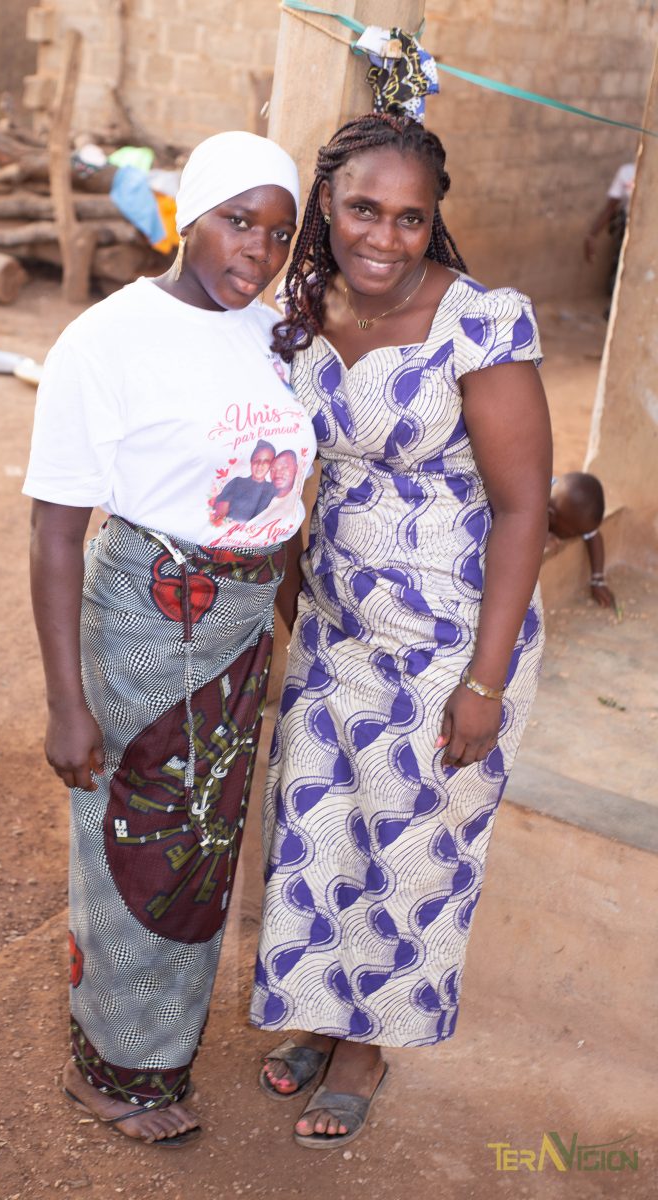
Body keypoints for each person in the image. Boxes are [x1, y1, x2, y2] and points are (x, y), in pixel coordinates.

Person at [250, 114, 552, 1149]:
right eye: (363, 210)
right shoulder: (301, 312)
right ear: (325, 209)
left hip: (454, 635)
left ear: (434, 225)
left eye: (410, 219)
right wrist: (295, 600)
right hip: (337, 622)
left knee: (411, 836)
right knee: (318, 821)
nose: (384, 237)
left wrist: (484, 680)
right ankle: (318, 1013)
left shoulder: (478, 322)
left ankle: (364, 1047)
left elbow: (522, 507)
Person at [23, 130, 316, 1147]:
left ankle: (160, 1058)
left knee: (201, 856)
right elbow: (57, 529)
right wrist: (67, 703)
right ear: (186, 217)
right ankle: (108, 1072)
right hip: (145, 629)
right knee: (130, 850)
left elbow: (282, 499)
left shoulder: (273, 332)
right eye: (237, 222)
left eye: (277, 232)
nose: (256, 250)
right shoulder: (107, 341)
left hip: (236, 638)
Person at [547, 471, 615, 608]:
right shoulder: (528, 502)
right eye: (573, 533)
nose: (577, 536)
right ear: (551, 516)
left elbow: (593, 535)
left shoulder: (566, 507)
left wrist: (598, 580)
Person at [583, 161, 636, 293]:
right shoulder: (627, 172)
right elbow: (610, 208)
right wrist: (592, 235)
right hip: (629, 231)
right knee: (622, 280)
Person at [211, 439, 276, 523]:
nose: (260, 465)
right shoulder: (236, 483)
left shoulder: (273, 488)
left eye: (266, 461)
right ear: (251, 461)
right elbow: (219, 515)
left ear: (271, 465)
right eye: (257, 460)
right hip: (232, 532)